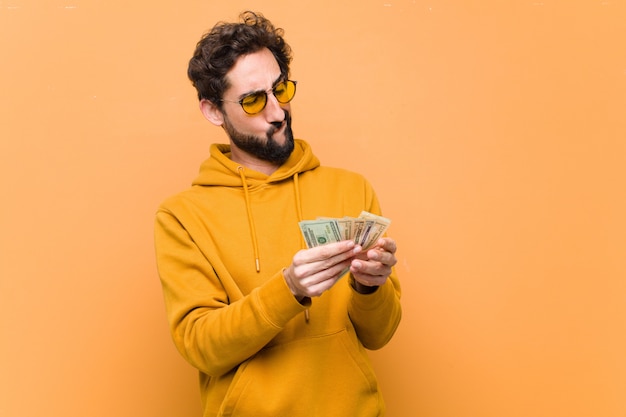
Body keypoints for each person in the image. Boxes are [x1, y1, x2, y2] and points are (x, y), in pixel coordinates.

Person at [154, 11, 402, 417]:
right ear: (214, 111)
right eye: (253, 100)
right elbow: (202, 347)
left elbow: (379, 335)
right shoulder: (182, 216)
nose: (277, 112)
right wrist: (287, 289)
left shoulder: (351, 189)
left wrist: (370, 288)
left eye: (280, 90)